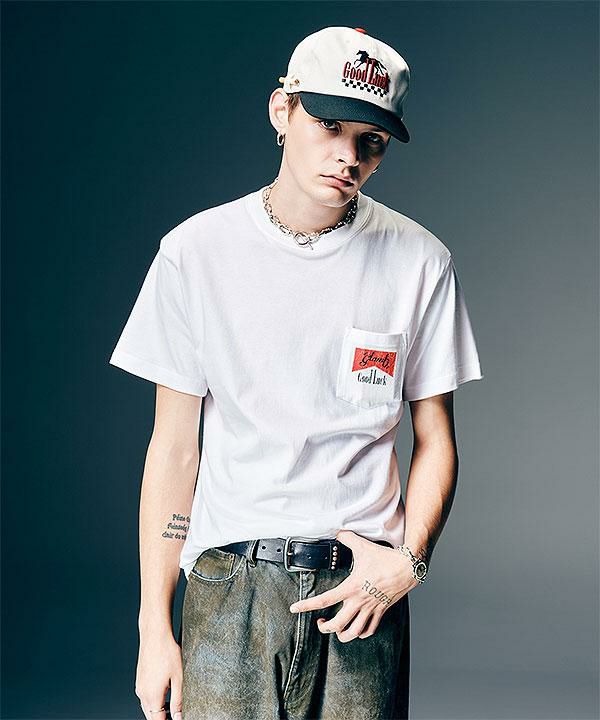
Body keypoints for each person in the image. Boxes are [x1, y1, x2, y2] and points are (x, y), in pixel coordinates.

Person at [109, 25, 484, 720]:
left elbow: (436, 439)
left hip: (362, 589)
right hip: (230, 587)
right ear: (282, 111)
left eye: (371, 141)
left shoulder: (421, 262)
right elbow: (174, 449)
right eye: (329, 125)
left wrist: (408, 562)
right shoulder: (195, 253)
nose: (348, 155)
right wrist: (153, 628)